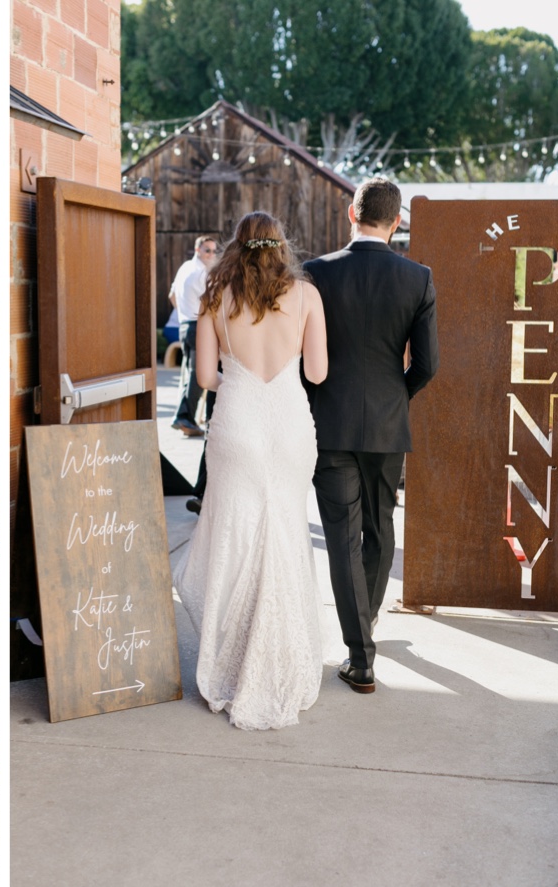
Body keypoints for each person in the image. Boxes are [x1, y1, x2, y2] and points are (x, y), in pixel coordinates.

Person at [174, 210, 330, 731]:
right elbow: (316, 372)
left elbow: (203, 376)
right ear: (282, 245)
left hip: (236, 424)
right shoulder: (306, 296)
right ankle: (281, 659)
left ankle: (232, 662)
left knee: (234, 540)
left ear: (237, 247)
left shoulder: (215, 297)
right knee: (284, 531)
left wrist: (238, 380)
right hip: (289, 425)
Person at [303, 179, 437, 695]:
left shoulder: (315, 272)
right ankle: (366, 629)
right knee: (380, 531)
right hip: (387, 425)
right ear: (396, 222)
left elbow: (301, 358)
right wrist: (395, 399)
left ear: (351, 212)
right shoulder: (417, 278)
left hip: (330, 425)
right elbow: (427, 365)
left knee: (341, 538)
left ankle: (361, 655)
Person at [171, 236, 221, 437]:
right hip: (197, 325)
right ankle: (185, 417)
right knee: (198, 375)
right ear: (197, 250)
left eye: (213, 251)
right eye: (207, 250)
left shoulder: (184, 268)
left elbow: (172, 296)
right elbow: (212, 305)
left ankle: (185, 417)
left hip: (184, 325)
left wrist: (183, 313)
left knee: (189, 373)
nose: (211, 255)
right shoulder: (202, 274)